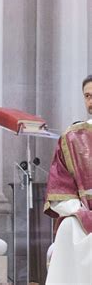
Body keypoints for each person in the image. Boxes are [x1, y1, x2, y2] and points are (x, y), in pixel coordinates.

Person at [43, 75, 92, 284]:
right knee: (68, 227)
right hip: (86, 217)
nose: (91, 101)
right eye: (87, 96)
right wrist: (84, 215)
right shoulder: (72, 138)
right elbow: (60, 193)